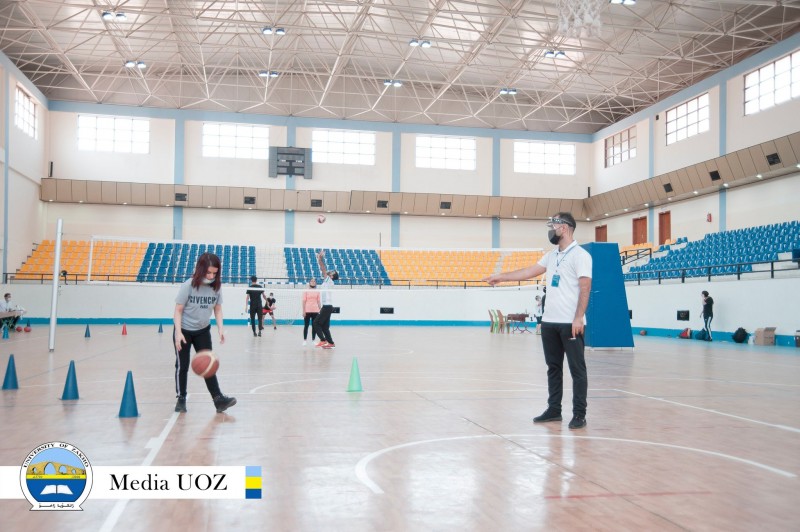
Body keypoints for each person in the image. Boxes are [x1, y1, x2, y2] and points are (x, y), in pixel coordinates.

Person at [483, 212, 592, 430]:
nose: (551, 230)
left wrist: (578, 317)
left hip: (570, 323)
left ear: (565, 228)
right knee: (553, 368)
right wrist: (501, 277)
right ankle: (554, 410)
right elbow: (529, 271)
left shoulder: (581, 255)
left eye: (554, 226)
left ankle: (579, 414)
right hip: (550, 322)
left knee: (577, 370)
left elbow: (585, 287)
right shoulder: (551, 256)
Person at [173, 252, 236, 414]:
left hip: (203, 331)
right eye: (208, 272)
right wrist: (178, 333)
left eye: (214, 273)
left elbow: (218, 309)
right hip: (184, 330)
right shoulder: (188, 285)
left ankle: (218, 400)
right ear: (200, 269)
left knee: (208, 364)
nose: (211, 276)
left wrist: (220, 328)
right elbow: (178, 310)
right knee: (182, 365)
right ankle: (181, 398)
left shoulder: (216, 287)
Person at [314, 250, 339, 349]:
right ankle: (331, 343)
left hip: (327, 306)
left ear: (331, 276)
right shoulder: (327, 281)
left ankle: (323, 340)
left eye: (331, 272)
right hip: (327, 306)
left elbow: (323, 269)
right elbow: (324, 270)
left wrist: (320, 258)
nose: (330, 271)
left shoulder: (329, 281)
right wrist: (320, 259)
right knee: (325, 327)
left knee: (316, 323)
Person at [301, 278, 321, 346]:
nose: (313, 282)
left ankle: (313, 340)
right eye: (311, 281)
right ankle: (305, 340)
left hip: (315, 310)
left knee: (314, 326)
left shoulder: (317, 291)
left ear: (316, 283)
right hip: (307, 310)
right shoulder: (306, 291)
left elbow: (318, 301)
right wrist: (304, 311)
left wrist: (320, 310)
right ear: (309, 283)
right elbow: (304, 301)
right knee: (306, 326)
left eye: (314, 281)